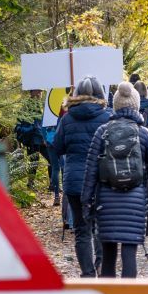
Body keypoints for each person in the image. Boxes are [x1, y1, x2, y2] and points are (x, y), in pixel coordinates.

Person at [81, 82, 148, 294]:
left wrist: (86, 202)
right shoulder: (145, 134)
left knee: (107, 254)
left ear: (115, 105)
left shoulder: (102, 132)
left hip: (106, 200)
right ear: (136, 105)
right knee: (129, 253)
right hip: (135, 200)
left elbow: (91, 171)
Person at [52, 76, 111, 277]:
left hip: (74, 181)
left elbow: (58, 147)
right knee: (101, 226)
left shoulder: (67, 118)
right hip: (101, 180)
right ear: (100, 93)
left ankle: (88, 274)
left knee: (81, 229)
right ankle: (103, 268)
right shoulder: (107, 117)